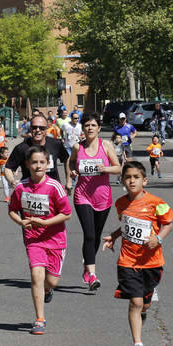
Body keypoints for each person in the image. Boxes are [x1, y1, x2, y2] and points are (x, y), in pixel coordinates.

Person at [102, 161, 173, 346]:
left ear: (144, 180)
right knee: (135, 302)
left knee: (144, 304)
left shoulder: (156, 203)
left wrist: (158, 239)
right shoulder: (121, 204)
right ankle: (138, 344)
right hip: (127, 261)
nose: (131, 180)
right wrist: (114, 236)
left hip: (152, 263)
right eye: (128, 177)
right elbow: (125, 226)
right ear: (122, 180)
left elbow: (168, 224)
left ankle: (144, 308)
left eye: (136, 177)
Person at [8, 146, 72, 335]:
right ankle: (39, 319)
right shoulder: (21, 187)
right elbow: (12, 209)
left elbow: (66, 214)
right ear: (27, 164)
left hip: (55, 239)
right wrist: (20, 221)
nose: (38, 166)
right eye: (34, 162)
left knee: (51, 281)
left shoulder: (54, 187)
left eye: (42, 162)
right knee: (37, 275)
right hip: (33, 239)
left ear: (48, 164)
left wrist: (44, 222)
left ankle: (47, 290)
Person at [66, 112, 122, 291]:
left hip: (102, 197)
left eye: (93, 125)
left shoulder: (105, 145)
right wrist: (72, 174)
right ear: (82, 128)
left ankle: (87, 265)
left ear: (98, 128)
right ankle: (92, 275)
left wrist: (105, 168)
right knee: (89, 234)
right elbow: (71, 162)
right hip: (82, 196)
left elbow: (118, 168)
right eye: (86, 125)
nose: (89, 128)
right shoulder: (77, 147)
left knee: (96, 236)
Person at [4, 113, 71, 187]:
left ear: (46, 129)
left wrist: (68, 181)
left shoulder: (56, 144)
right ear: (30, 128)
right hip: (30, 192)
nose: (38, 130)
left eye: (42, 128)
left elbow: (67, 159)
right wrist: (12, 181)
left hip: (52, 190)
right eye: (34, 127)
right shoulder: (21, 148)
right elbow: (8, 168)